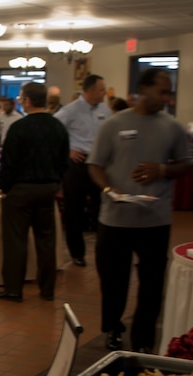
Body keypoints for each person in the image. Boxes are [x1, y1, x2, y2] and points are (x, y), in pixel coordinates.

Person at [87, 67, 192, 353]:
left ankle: (144, 339)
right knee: (113, 281)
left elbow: (186, 164)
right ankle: (112, 330)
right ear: (143, 90)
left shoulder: (172, 126)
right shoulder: (113, 124)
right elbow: (95, 165)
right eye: (162, 91)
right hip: (115, 219)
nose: (167, 98)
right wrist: (109, 190)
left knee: (152, 284)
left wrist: (162, 169)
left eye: (169, 92)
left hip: (155, 220)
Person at [0, 82, 69, 303]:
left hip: (20, 190)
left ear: (27, 100)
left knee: (16, 241)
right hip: (47, 189)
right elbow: (64, 162)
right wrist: (55, 184)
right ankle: (47, 290)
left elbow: (7, 163)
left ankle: (13, 289)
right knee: (46, 241)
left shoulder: (19, 127)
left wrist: (4, 188)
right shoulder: (58, 127)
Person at [54, 74, 113, 267]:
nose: (105, 93)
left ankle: (104, 251)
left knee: (102, 207)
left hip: (99, 164)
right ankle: (77, 253)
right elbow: (54, 130)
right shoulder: (70, 110)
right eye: (102, 89)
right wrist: (68, 150)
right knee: (74, 210)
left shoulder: (104, 110)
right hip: (78, 165)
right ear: (90, 91)